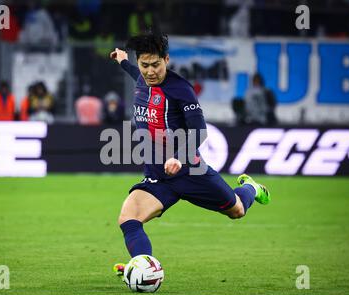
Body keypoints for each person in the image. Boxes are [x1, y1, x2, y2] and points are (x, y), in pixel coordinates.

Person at [109, 32, 271, 281]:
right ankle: (142, 267)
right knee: (128, 217)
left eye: (156, 65)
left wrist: (178, 157)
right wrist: (122, 60)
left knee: (237, 211)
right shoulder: (141, 78)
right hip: (157, 177)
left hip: (189, 172)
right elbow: (133, 72)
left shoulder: (180, 89)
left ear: (167, 59)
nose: (150, 71)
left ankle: (250, 187)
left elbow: (200, 131)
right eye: (144, 65)